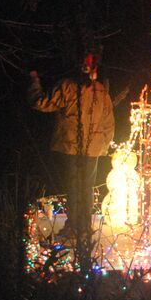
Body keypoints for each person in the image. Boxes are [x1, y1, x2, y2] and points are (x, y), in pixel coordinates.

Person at [28, 52, 115, 242]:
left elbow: (41, 102)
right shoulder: (101, 92)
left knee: (75, 187)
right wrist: (103, 145)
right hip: (91, 149)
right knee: (85, 188)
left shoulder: (68, 87)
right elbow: (109, 124)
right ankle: (82, 227)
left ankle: (76, 227)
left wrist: (34, 80)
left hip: (71, 146)